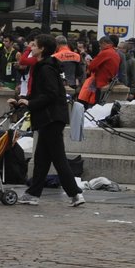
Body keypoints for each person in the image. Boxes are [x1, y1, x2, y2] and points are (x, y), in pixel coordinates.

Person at [13, 34, 86, 208]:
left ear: (42, 49)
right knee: (42, 158)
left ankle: (75, 193)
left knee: (57, 158)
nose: (31, 48)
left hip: (51, 117)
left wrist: (30, 102)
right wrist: (23, 100)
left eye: (35, 45)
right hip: (49, 117)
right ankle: (33, 193)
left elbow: (51, 94)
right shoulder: (45, 66)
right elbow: (43, 92)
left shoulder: (45, 68)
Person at [77, 35, 122, 107]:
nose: (100, 48)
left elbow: (92, 67)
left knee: (96, 105)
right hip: (109, 82)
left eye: (100, 46)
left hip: (101, 82)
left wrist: (89, 64)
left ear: (104, 43)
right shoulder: (115, 53)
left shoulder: (105, 52)